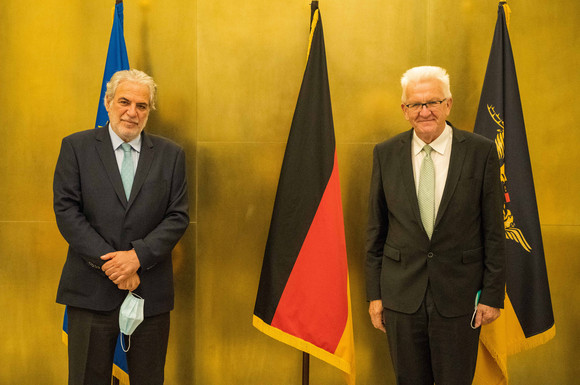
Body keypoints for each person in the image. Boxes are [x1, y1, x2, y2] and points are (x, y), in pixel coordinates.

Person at [365, 66, 506, 385]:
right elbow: (376, 231)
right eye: (415, 104)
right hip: (401, 298)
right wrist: (375, 294)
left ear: (449, 104)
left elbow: (494, 231)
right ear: (404, 110)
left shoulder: (480, 151)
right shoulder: (385, 154)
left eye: (432, 102)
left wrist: (493, 294)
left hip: (460, 297)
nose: (424, 111)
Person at [53, 69, 189, 384]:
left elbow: (177, 216)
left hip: (149, 291)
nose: (132, 112)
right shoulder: (76, 147)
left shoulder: (171, 155)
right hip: (90, 290)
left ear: (149, 111)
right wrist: (113, 263)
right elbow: (66, 210)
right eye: (124, 102)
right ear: (108, 102)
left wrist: (137, 257)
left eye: (142, 106)